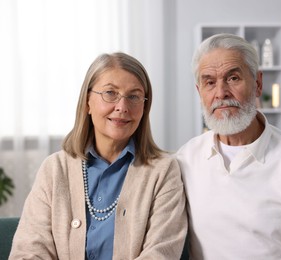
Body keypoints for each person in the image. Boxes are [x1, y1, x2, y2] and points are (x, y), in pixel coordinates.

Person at [176, 33, 281, 259]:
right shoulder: (185, 159)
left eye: (233, 78)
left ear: (257, 84)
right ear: (200, 93)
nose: (221, 93)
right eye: (209, 82)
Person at [10, 52, 187, 259]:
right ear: (87, 102)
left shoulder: (164, 171)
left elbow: (161, 253)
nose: (122, 107)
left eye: (134, 96)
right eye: (110, 93)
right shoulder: (54, 169)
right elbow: (29, 251)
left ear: (144, 107)